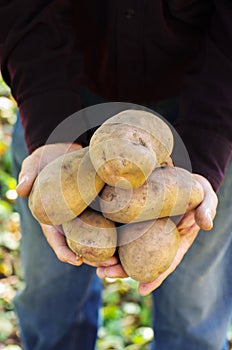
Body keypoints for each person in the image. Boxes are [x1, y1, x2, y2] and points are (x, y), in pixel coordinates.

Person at [0, 1, 231, 349]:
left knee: (193, 315)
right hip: (62, 96)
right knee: (52, 303)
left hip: (206, 105)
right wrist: (51, 125)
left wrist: (207, 145)